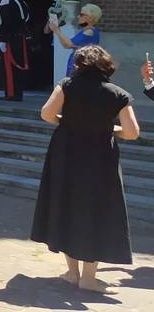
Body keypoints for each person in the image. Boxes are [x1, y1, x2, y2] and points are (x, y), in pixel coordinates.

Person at [30, 45, 139, 293]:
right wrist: (108, 128)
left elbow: (47, 114)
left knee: (66, 204)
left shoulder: (67, 85)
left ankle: (72, 272)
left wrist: (70, 122)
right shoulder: (118, 93)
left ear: (79, 64)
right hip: (100, 157)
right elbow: (132, 133)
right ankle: (89, 278)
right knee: (97, 210)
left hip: (66, 153)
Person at [0, 0, 31, 101]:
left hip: (11, 39)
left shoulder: (7, 2)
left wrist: (3, 39)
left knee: (10, 67)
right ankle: (17, 93)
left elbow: (5, 22)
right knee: (17, 67)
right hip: (21, 38)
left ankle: (11, 93)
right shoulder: (22, 3)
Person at [48, 3, 102, 76]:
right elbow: (66, 45)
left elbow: (69, 44)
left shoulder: (90, 31)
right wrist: (57, 31)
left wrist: (57, 31)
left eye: (81, 14)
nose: (78, 16)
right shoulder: (84, 31)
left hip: (82, 68)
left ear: (90, 17)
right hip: (77, 66)